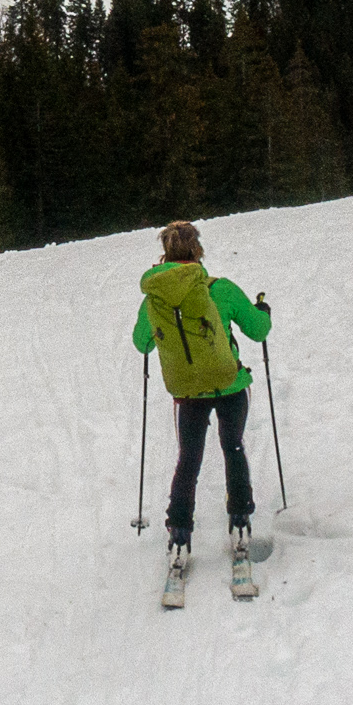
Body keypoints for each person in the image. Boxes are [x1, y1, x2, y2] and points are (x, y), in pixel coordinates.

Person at [131, 220, 272, 555]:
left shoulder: (156, 299)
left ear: (165, 252)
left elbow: (142, 344)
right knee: (233, 446)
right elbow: (258, 330)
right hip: (230, 384)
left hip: (188, 391)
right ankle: (239, 516)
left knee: (189, 458)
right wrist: (263, 310)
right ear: (198, 251)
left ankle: (179, 530)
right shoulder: (220, 289)